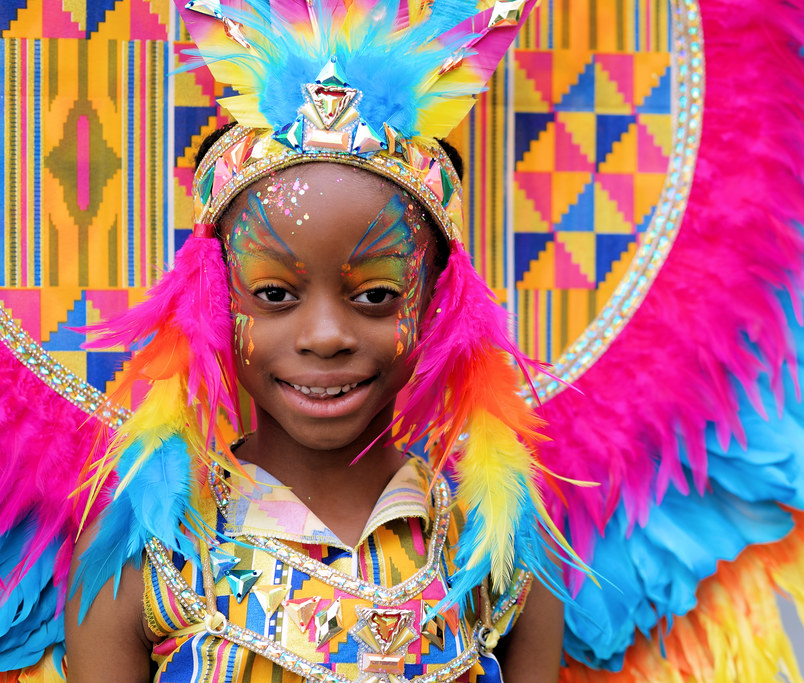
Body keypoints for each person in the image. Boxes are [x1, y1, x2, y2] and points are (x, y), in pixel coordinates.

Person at [61, 1, 571, 680]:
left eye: (376, 296)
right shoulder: (148, 555)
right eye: (274, 294)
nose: (327, 336)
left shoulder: (495, 552)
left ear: (434, 304)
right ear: (216, 298)